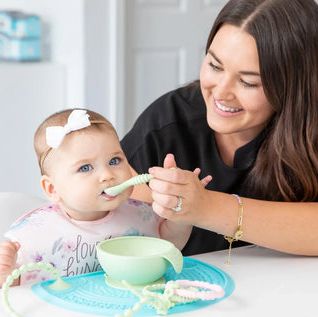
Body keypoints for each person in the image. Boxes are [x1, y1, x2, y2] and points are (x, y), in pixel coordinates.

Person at [121, 0, 318, 258]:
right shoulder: (168, 122)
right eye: (215, 66)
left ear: (294, 87)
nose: (221, 93)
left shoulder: (310, 132)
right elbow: (107, 208)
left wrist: (204, 207)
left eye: (248, 82)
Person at [0, 109, 202, 289]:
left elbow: (170, 244)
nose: (107, 175)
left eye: (115, 160)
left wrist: (181, 213)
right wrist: (1, 272)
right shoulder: (35, 232)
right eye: (85, 167)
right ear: (52, 188)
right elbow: (8, 288)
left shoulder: (139, 214)